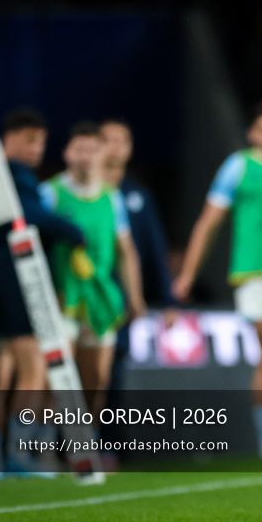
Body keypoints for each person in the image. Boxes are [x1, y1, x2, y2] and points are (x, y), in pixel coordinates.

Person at [174, 99, 262, 460]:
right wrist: (187, 274)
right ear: (253, 134)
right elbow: (209, 222)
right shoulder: (238, 167)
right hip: (255, 274)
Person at [0, 108, 89, 477]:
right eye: (30, 139)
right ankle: (19, 456)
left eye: (41, 141)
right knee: (34, 370)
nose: (36, 148)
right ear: (7, 139)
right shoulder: (12, 175)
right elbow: (31, 215)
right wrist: (75, 232)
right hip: (10, 282)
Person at [40, 122, 145, 400]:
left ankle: (87, 442)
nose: (86, 157)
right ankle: (47, 442)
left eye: (92, 150)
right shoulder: (48, 194)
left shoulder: (113, 198)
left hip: (99, 299)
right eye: (79, 150)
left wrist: (135, 297)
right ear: (67, 153)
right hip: (61, 300)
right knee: (57, 380)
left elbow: (126, 251)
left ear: (102, 154)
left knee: (96, 379)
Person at [98, 119, 177, 394]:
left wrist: (167, 300)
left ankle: (110, 437)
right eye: (109, 140)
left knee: (114, 373)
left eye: (123, 141)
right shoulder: (84, 191)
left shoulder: (137, 196)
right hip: (86, 292)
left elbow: (154, 249)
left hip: (120, 298)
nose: (116, 148)